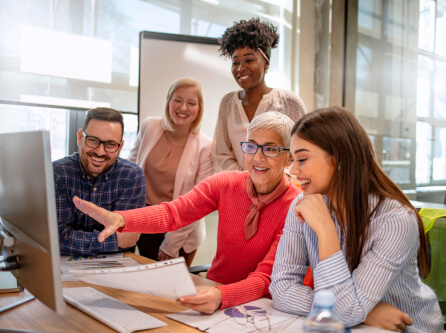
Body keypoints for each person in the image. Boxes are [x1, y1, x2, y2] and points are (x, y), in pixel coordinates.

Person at [72, 111, 301, 313]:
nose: (258, 158)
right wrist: (122, 218)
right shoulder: (226, 183)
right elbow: (173, 214)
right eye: (251, 146)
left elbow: (264, 279)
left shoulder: (296, 206)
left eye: (270, 149)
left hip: (261, 307)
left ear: (290, 156)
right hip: (212, 292)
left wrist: (222, 297)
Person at [269, 106, 444, 332]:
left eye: (301, 158)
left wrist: (325, 229)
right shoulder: (302, 205)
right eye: (292, 159)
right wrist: (366, 313)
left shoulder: (395, 220)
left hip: (408, 329)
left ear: (340, 159)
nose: (292, 170)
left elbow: (344, 312)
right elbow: (281, 289)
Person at [129, 77, 213, 265]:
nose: (183, 108)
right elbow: (130, 170)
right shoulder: (149, 126)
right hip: (146, 221)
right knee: (143, 286)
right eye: (178, 100)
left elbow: (198, 203)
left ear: (199, 109)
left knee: (171, 292)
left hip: (182, 231)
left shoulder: (206, 146)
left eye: (191, 103)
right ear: (169, 101)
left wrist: (171, 244)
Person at [212, 17, 307, 172]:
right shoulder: (228, 103)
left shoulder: (290, 102)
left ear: (266, 64)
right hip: (238, 190)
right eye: (235, 62)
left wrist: (270, 182)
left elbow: (302, 152)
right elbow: (221, 155)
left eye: (249, 60)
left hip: (282, 192)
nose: (240, 68)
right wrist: (248, 182)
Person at [53, 107, 146, 256]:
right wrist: (114, 241)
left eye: (110, 144)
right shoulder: (58, 174)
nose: (100, 151)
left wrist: (78, 240)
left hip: (114, 270)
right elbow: (57, 239)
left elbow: (128, 239)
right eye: (93, 140)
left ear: (120, 147)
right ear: (80, 138)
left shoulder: (131, 177)